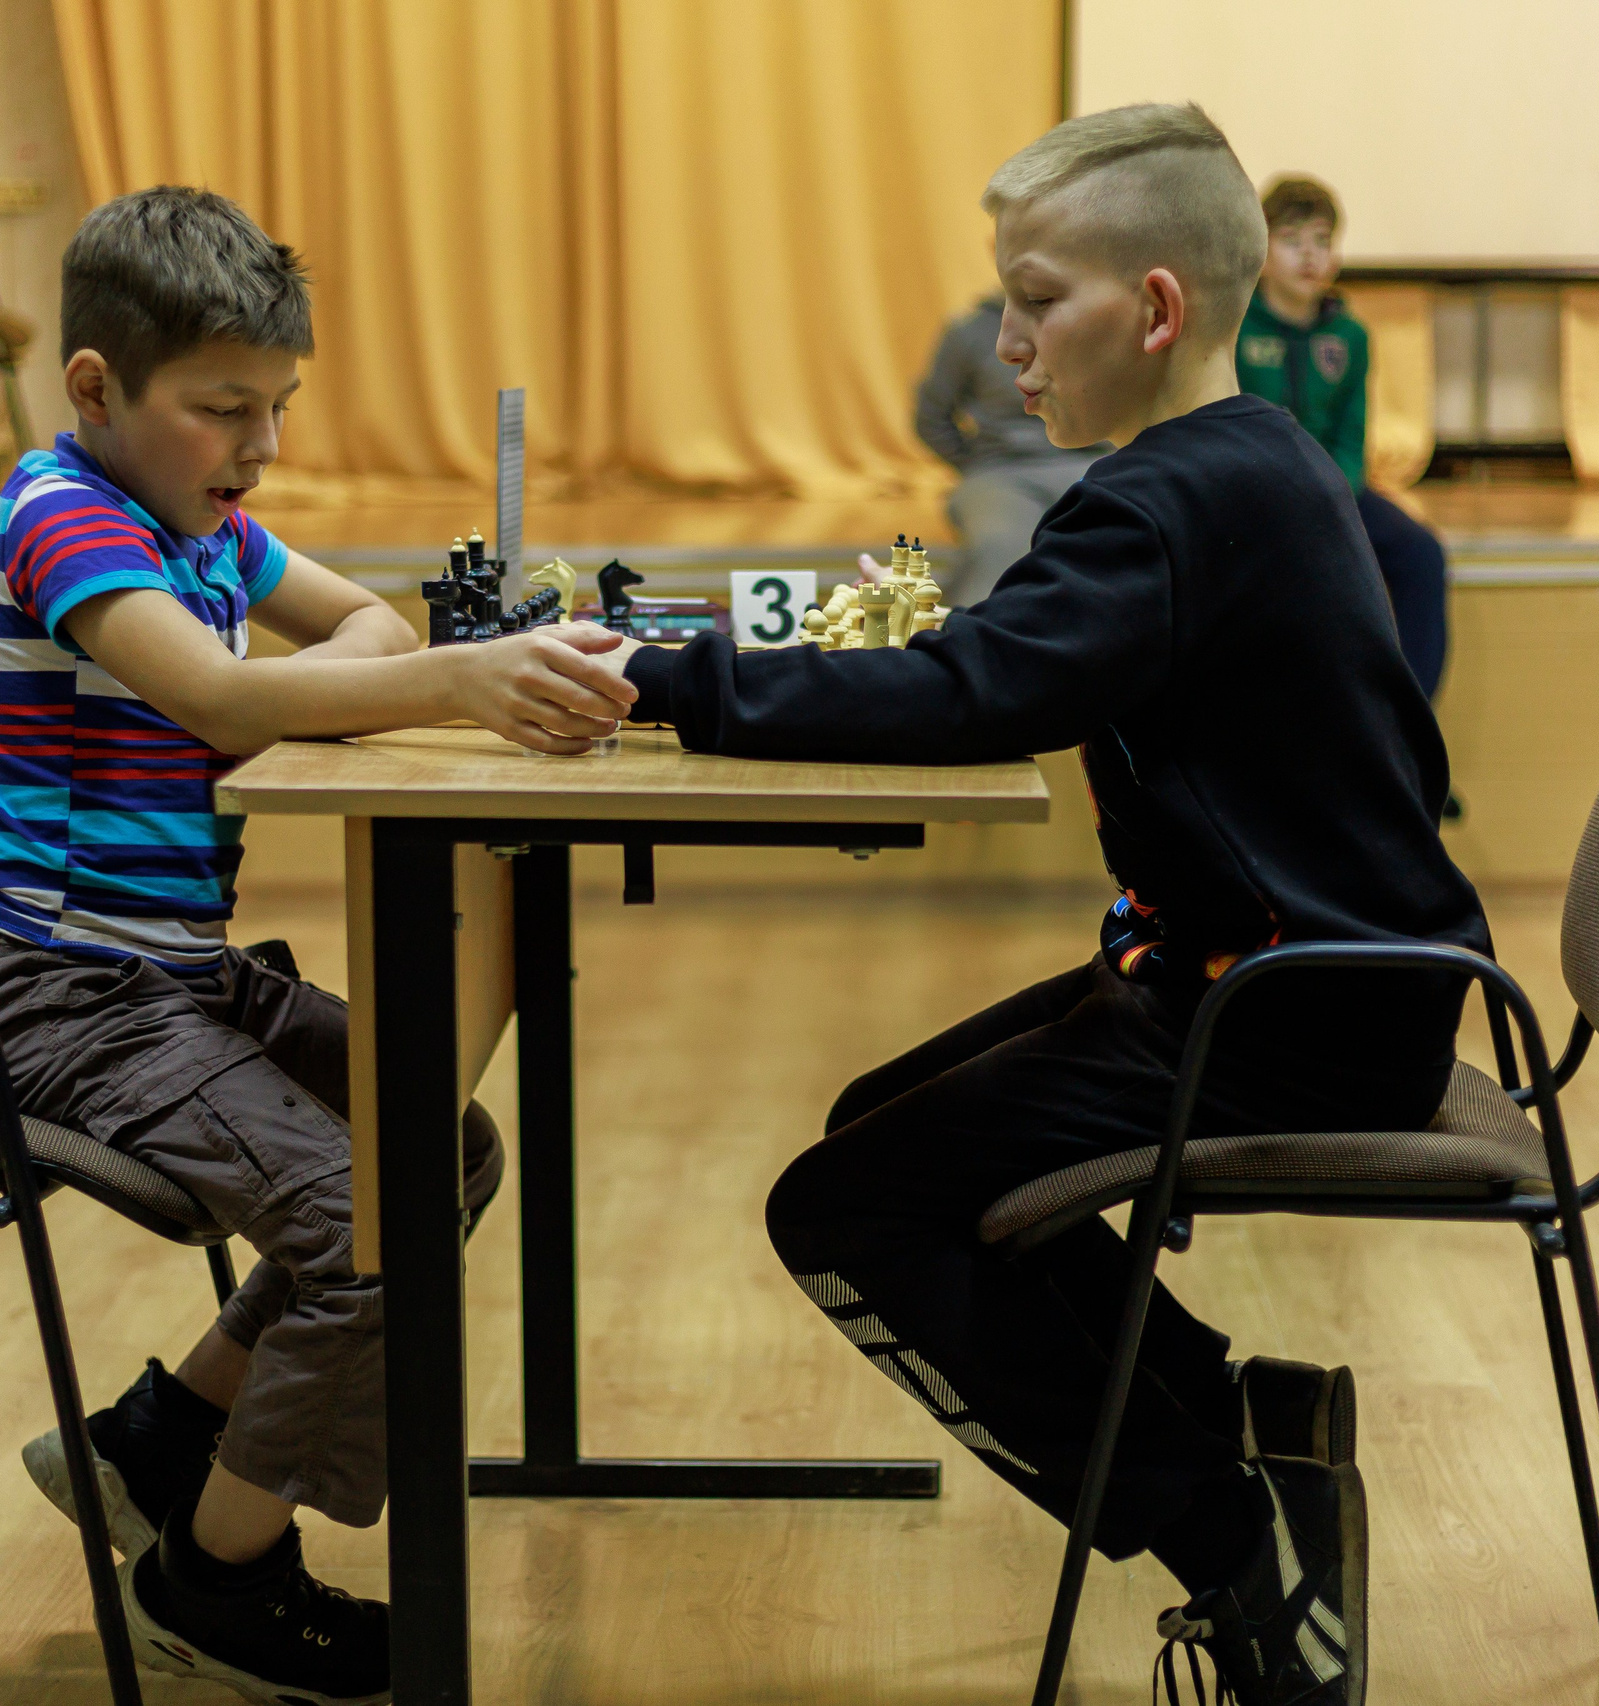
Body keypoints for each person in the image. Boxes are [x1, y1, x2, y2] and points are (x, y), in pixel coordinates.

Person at [599, 105, 1491, 1706]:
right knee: (886, 1122)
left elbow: (979, 689)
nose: (1006, 344)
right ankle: (1238, 1418)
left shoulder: (1158, 504)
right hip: (1340, 980)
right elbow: (1005, 668)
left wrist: (661, 681)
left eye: (1038, 302)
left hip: (1292, 1012)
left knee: (848, 1207)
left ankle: (1234, 1540)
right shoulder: (1255, 454)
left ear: (1153, 311)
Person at [0, 185, 637, 1706]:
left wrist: (372, 667)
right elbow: (236, 703)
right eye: (222, 407)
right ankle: (214, 1579)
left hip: (167, 973)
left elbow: (356, 622)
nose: (260, 447)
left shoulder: (202, 526)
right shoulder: (62, 516)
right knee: (366, 1227)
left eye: (278, 406)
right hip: (55, 993)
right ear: (97, 389)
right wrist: (437, 683)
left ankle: (158, 1442)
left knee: (434, 1151)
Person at [1238, 174, 1451, 700]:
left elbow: (1351, 438)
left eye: (1322, 241)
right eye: (1292, 242)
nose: (1310, 257)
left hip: (1331, 493)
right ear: (1261, 253)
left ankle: (1409, 727)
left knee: (1421, 554)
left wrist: (1334, 495)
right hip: (1250, 494)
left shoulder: (1349, 336)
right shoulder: (1235, 328)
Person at [915, 296, 1103, 604]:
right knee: (998, 544)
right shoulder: (972, 331)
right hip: (1001, 471)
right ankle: (976, 641)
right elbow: (931, 417)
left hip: (1090, 462)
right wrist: (978, 462)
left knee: (1112, 532)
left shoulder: (1100, 322)